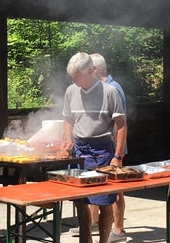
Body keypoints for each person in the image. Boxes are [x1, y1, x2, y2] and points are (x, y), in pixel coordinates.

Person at [62, 52, 127, 243]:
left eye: (78, 77)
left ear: (91, 71)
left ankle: (103, 241)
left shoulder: (110, 92)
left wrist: (118, 156)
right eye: (72, 77)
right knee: (81, 201)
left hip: (102, 149)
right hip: (79, 150)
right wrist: (68, 140)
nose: (75, 81)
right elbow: (67, 119)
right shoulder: (70, 91)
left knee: (105, 201)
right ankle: (86, 240)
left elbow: (121, 125)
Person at [90, 53, 128, 242]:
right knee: (95, 184)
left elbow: (119, 122)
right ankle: (95, 222)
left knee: (115, 188)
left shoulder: (113, 88)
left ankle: (119, 230)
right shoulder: (99, 88)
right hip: (100, 148)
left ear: (95, 70)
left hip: (113, 148)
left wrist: (116, 153)